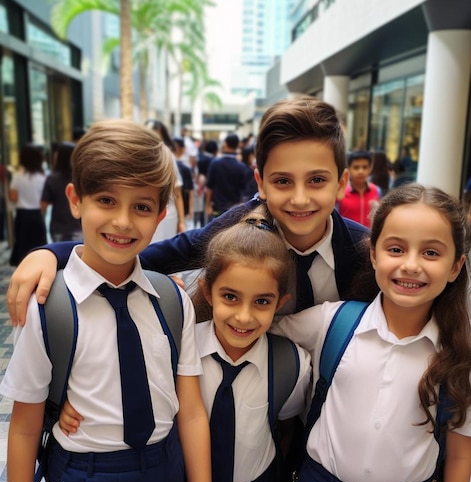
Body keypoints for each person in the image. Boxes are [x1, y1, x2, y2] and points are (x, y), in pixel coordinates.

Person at [0, 119, 213, 482]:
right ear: (75, 200)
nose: (123, 221)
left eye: (141, 207)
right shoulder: (49, 307)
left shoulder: (171, 300)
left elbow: (191, 416)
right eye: (106, 201)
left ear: (161, 214)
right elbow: (25, 428)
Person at [59, 208, 311, 482]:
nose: (244, 316)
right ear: (209, 291)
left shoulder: (292, 364)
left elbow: (286, 424)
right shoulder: (177, 346)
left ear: (280, 303)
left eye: (262, 302)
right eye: (231, 297)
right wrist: (60, 406)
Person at [263, 184, 471, 482]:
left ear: (456, 267)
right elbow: (247, 326)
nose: (411, 265)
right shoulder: (332, 323)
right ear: (373, 254)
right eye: (396, 248)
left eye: (431, 253)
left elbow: (459, 454)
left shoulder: (459, 360)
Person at [6, 95, 374, 326]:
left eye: (316, 181)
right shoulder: (239, 228)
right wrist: (52, 254)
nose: (298, 198)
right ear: (260, 183)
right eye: (282, 182)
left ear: (341, 183)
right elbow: (153, 255)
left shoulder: (363, 251)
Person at [145, 119, 186, 240]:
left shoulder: (167, 156)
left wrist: (181, 221)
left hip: (166, 215)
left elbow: (177, 193)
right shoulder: (137, 156)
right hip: (145, 212)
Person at [8, 143, 47, 266]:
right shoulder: (44, 176)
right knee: (39, 246)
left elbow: (13, 197)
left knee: (23, 245)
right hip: (37, 215)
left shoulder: (17, 176)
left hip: (22, 215)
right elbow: (45, 201)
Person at [41, 141, 82, 242]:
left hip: (59, 225)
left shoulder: (52, 178)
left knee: (61, 255)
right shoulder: (80, 177)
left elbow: (44, 204)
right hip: (79, 224)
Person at [205, 133, 248, 221]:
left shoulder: (215, 163)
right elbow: (244, 189)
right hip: (235, 209)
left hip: (217, 208)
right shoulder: (241, 166)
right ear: (237, 145)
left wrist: (208, 205)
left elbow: (209, 186)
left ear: (225, 144)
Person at [337, 149, 381, 227]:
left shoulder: (376, 190)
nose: (361, 171)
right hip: (347, 236)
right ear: (349, 168)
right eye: (356, 167)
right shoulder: (341, 191)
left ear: (370, 168)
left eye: (365, 167)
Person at [173, 136, 195, 225]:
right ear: (183, 149)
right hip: (183, 209)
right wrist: (190, 210)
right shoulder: (186, 168)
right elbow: (190, 192)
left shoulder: (164, 166)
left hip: (170, 210)